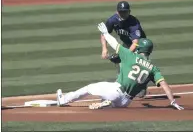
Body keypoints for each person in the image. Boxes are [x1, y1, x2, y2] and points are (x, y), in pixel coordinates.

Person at [56, 22, 184, 110]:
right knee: (113, 101)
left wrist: (106, 34)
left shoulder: (130, 55)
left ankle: (64, 100)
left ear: (140, 49)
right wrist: (172, 102)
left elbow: (114, 43)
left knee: (89, 88)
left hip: (116, 91)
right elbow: (165, 85)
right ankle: (108, 103)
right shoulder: (153, 68)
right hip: (126, 102)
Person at [101, 1, 147, 98]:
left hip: (141, 45)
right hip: (127, 44)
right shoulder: (112, 20)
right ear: (117, 12)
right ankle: (121, 86)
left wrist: (125, 54)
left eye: (125, 12)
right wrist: (104, 49)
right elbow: (104, 34)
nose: (123, 14)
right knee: (121, 65)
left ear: (129, 11)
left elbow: (136, 42)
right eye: (121, 12)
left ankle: (142, 86)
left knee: (139, 66)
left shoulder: (133, 23)